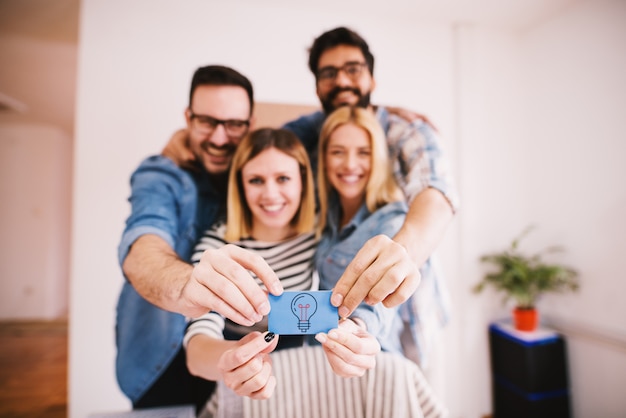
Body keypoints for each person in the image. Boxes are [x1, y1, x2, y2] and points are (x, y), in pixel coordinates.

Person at [282, 27, 459, 368]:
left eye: (353, 69)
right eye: (328, 73)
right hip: (353, 349)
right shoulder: (309, 134)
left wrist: (399, 254)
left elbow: (436, 193)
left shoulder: (406, 131)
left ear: (371, 79)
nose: (342, 81)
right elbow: (262, 147)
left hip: (416, 327)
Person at [116, 65, 284, 411]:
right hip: (164, 360)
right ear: (188, 118)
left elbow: (313, 132)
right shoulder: (161, 175)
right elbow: (143, 246)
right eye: (207, 122)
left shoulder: (254, 172)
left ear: (249, 125)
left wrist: (381, 114)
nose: (219, 138)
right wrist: (188, 284)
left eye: (233, 124)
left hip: (241, 354)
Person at [184, 128, 382, 416]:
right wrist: (233, 359)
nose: (270, 194)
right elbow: (196, 349)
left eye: (283, 178)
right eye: (255, 180)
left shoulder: (321, 232)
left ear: (303, 181)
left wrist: (357, 331)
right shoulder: (217, 249)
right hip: (232, 379)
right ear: (239, 185)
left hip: (301, 376)